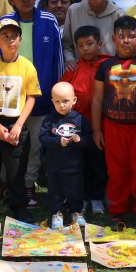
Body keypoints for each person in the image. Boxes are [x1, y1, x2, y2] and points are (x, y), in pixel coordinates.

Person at [92, 16, 136, 227]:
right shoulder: (105, 67)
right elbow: (97, 99)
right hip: (112, 126)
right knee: (116, 171)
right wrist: (97, 130)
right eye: (121, 37)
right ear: (113, 38)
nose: (126, 41)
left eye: (131, 37)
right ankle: (117, 211)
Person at [0, 0, 64, 209]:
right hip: (10, 98)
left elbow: (58, 60)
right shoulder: (5, 21)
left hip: (41, 98)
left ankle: (28, 185)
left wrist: (55, 94)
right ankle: (5, 185)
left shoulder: (49, 20)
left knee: (35, 145)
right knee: (9, 143)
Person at [0, 19, 40, 222]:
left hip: (16, 123)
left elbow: (31, 97)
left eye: (14, 36)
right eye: (5, 37)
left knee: (16, 168)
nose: (10, 40)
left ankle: (18, 206)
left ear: (20, 40)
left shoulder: (27, 67)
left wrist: (19, 125)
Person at [61, 26, 111, 216]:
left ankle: (97, 198)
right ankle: (80, 199)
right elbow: (62, 93)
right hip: (78, 125)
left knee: (98, 163)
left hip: (102, 124)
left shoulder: (108, 65)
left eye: (90, 44)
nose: (86, 49)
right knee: (79, 164)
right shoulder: (73, 68)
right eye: (80, 45)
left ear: (99, 44)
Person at [40, 82, 92, 229]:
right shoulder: (50, 120)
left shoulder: (80, 119)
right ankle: (57, 213)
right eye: (57, 102)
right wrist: (57, 142)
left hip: (75, 166)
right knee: (55, 192)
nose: (61, 105)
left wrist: (80, 140)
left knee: (76, 190)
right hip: (55, 166)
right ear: (52, 102)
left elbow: (89, 139)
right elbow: (43, 138)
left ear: (74, 100)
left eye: (65, 101)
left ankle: (76, 212)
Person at [61, 0, 123, 67]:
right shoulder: (74, 10)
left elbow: (123, 48)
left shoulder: (119, 14)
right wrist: (70, 59)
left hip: (109, 71)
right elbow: (66, 44)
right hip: (81, 71)